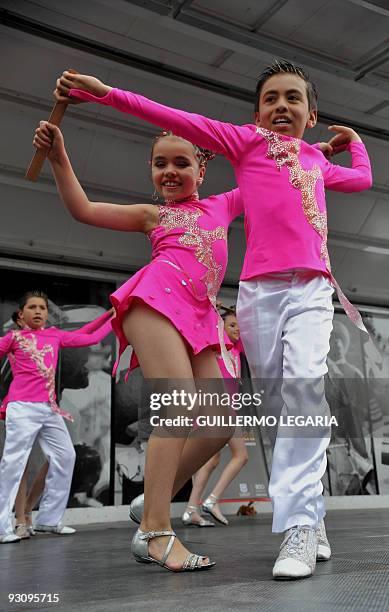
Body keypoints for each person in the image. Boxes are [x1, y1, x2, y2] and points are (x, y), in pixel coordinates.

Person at [53, 60, 372, 579]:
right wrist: (105, 96)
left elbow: (337, 181)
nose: (281, 107)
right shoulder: (222, 162)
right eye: (270, 99)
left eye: (293, 99)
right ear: (255, 115)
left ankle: (297, 522)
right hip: (196, 297)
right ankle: (164, 520)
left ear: (312, 113)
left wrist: (341, 144)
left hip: (267, 297)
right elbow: (168, 118)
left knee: (276, 403)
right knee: (218, 406)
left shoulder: (263, 183)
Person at [32, 119, 244, 572]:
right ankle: (154, 531)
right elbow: (84, 210)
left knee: (220, 424)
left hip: (202, 316)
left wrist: (312, 153)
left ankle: (154, 498)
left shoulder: (224, 206)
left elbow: (268, 177)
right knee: (181, 405)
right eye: (159, 164)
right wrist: (59, 158)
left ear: (202, 170)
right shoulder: (154, 216)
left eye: (181, 163)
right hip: (157, 299)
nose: (170, 171)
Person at [0, 291, 112, 543]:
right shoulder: (13, 338)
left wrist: (112, 317)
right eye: (32, 307)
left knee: (65, 455)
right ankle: (2, 526)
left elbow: (89, 336)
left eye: (42, 307)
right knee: (14, 464)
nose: (39, 311)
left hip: (49, 409)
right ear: (21, 315)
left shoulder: (55, 336)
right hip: (22, 407)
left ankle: (48, 520)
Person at [182, 305, 248, 527]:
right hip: (217, 409)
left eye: (239, 325)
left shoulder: (237, 350)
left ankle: (192, 508)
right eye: (231, 325)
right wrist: (210, 307)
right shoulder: (216, 348)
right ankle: (211, 500)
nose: (237, 329)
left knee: (212, 460)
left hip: (228, 409)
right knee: (239, 456)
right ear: (221, 327)